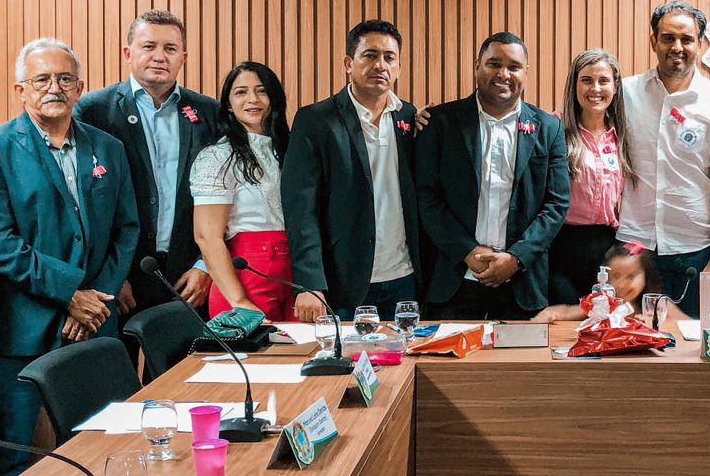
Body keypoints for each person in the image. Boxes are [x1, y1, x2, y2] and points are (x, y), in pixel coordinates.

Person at [0, 39, 140, 476]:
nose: (55, 87)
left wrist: (97, 299)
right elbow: (1, 242)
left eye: (65, 78)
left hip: (95, 321)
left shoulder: (107, 148)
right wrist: (69, 294)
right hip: (25, 326)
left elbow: (126, 229)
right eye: (42, 79)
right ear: (20, 89)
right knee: (12, 452)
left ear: (80, 87)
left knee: (105, 446)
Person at [416, 32, 570, 320]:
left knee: (519, 365)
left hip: (522, 282)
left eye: (513, 66)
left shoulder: (549, 129)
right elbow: (427, 197)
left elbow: (557, 204)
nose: (503, 74)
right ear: (477, 66)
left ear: (526, 72)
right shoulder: (441, 123)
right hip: (455, 278)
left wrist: (516, 258)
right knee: (448, 365)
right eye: (493, 64)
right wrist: (467, 251)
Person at [75, 9, 219, 316]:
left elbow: (229, 194)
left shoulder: (209, 113)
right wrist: (113, 275)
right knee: (116, 364)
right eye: (148, 46)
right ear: (128, 53)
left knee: (192, 363)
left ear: (184, 57)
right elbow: (83, 202)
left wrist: (207, 266)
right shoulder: (92, 112)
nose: (159, 57)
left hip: (190, 275)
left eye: (170, 49)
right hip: (119, 275)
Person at [282, 20, 421, 321]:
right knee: (349, 366)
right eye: (369, 55)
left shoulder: (409, 117)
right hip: (343, 280)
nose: (380, 65)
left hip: (404, 277)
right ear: (349, 63)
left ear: (398, 67)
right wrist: (309, 283)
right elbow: (300, 209)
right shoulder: (315, 120)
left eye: (389, 57)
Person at [617, 1, 710, 316]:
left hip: (693, 249)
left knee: (691, 346)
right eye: (668, 38)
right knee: (629, 344)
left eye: (687, 39)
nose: (677, 47)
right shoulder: (624, 94)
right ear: (653, 41)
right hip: (633, 246)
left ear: (700, 44)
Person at [190, 62, 294, 320]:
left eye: (261, 91)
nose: (252, 99)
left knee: (304, 356)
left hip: (294, 276)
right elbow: (207, 237)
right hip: (247, 275)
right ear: (227, 104)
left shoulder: (289, 150)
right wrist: (239, 300)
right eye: (241, 92)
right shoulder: (218, 156)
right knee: (258, 359)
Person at [549, 49, 636, 303]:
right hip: (560, 246)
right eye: (586, 80)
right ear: (574, 84)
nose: (595, 88)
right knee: (562, 326)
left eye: (603, 80)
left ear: (616, 86)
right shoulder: (554, 128)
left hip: (606, 248)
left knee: (602, 328)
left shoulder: (624, 135)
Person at [533, 242, 690, 325]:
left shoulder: (658, 304)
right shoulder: (603, 304)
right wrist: (548, 314)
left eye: (631, 276)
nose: (623, 284)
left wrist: (657, 322)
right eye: (616, 276)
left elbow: (689, 326)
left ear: (645, 275)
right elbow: (567, 311)